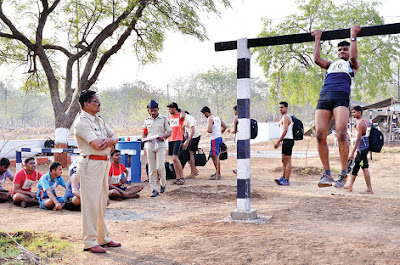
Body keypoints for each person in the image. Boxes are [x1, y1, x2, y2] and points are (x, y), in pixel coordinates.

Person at [311, 25, 362, 188]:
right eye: (340, 50)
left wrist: (353, 35)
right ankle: (326, 174)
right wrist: (317, 38)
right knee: (319, 135)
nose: (342, 52)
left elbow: (354, 57)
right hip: (324, 97)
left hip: (341, 98)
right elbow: (317, 59)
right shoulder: (331, 64)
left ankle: (343, 172)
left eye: (345, 50)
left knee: (341, 132)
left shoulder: (352, 65)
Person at [74, 90, 120, 254]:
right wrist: (110, 141)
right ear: (86, 104)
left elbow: (115, 137)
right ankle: (90, 241)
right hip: (90, 164)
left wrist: (109, 141)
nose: (99, 103)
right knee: (91, 204)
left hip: (102, 164)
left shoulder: (99, 120)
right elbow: (96, 144)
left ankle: (102, 238)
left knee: (101, 202)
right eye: (96, 101)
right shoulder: (82, 122)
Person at [143, 99, 172, 197]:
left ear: (158, 109)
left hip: (160, 144)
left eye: (154, 110)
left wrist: (163, 137)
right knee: (152, 168)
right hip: (150, 145)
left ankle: (163, 183)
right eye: (151, 110)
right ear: (148, 110)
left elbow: (169, 132)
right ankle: (154, 189)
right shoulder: (147, 121)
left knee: (160, 166)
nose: (153, 112)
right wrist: (144, 139)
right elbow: (144, 133)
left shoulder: (163, 119)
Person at [344, 106, 373, 194]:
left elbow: (358, 139)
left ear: (359, 112)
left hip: (362, 149)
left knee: (365, 168)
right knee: (356, 167)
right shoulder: (365, 121)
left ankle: (369, 189)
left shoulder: (361, 123)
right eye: (352, 112)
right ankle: (350, 186)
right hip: (364, 147)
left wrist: (352, 152)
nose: (353, 114)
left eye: (354, 112)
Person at [201, 106, 227, 180]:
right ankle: (217, 172)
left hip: (214, 139)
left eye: (204, 114)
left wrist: (213, 131)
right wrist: (219, 132)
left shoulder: (210, 118)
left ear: (206, 113)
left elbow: (209, 130)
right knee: (213, 155)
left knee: (215, 156)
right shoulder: (217, 117)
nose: (204, 116)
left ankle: (218, 174)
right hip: (219, 138)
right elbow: (224, 127)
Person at [273, 101, 294, 186]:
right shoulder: (283, 117)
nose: (280, 109)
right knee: (283, 160)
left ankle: (287, 180)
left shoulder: (286, 117)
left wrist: (278, 141)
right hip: (285, 141)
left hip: (288, 140)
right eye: (279, 107)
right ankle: (283, 177)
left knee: (287, 160)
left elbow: (285, 130)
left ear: (286, 108)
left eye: (282, 107)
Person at [167, 102, 186, 185]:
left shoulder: (179, 116)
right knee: (173, 160)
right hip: (170, 139)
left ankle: (182, 177)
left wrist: (182, 110)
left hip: (178, 138)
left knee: (175, 158)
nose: (169, 110)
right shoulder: (169, 117)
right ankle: (177, 177)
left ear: (174, 108)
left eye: (170, 108)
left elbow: (183, 116)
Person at [182, 111, 201, 179]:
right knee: (188, 153)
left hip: (195, 137)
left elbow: (193, 131)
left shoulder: (190, 119)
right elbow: (186, 130)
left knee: (191, 154)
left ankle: (193, 173)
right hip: (191, 137)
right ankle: (194, 170)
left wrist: (187, 142)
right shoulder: (183, 119)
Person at [227, 105, 238, 174]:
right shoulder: (246, 117)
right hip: (245, 139)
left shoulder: (236, 118)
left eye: (234, 110)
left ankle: (239, 169)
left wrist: (229, 130)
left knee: (239, 155)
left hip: (239, 138)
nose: (234, 112)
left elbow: (234, 130)